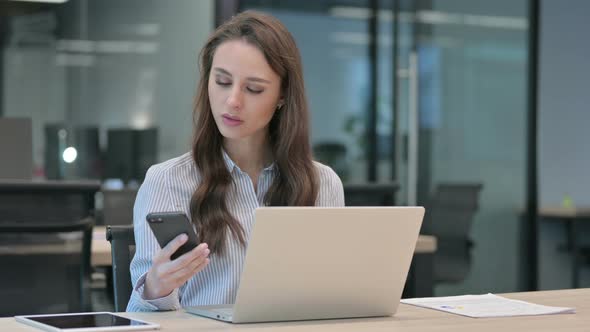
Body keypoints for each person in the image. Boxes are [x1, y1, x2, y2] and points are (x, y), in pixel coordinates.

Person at [127, 10, 344, 312]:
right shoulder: (168, 181)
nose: (232, 101)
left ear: (282, 96)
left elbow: (334, 298)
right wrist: (156, 288)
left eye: (253, 89)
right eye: (222, 82)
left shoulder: (323, 184)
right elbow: (137, 321)